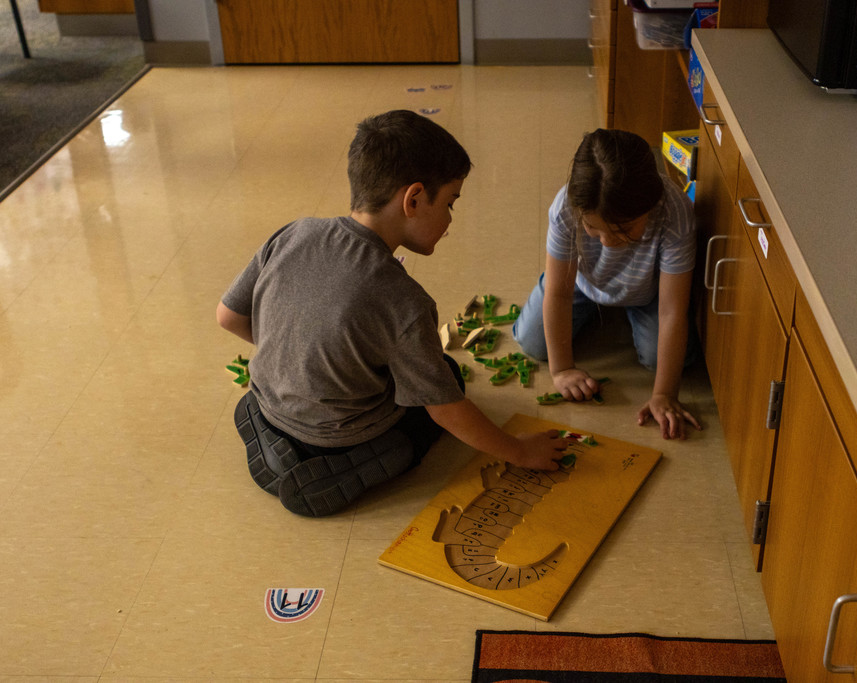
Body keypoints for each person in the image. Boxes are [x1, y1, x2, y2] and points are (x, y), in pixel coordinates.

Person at [216, 109, 569, 518]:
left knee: (412, 374)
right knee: (446, 380)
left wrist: (301, 353)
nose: (451, 220)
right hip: (343, 436)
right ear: (414, 199)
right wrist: (520, 451)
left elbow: (228, 316)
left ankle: (269, 435)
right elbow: (444, 409)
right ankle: (345, 466)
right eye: (450, 203)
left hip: (269, 404)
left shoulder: (294, 232)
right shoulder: (404, 299)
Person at [512, 128, 702, 440]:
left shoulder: (675, 213)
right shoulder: (565, 208)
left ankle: (620, 311)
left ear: (651, 205)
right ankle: (589, 304)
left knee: (664, 360)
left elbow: (672, 311)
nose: (610, 243)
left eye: (625, 230)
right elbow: (559, 293)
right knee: (533, 343)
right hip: (579, 284)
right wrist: (561, 370)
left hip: (648, 292)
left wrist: (664, 394)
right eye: (592, 228)